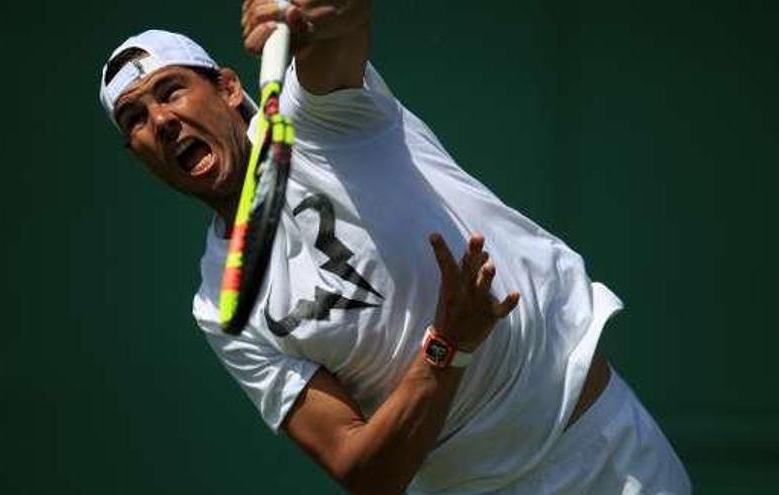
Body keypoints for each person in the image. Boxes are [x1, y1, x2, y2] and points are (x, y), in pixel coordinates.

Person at [97, 1, 691, 493]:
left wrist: (304, 17)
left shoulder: (318, 117)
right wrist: (447, 346)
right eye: (136, 120)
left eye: (171, 91)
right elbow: (365, 470)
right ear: (140, 155)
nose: (161, 122)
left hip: (609, 458)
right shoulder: (218, 306)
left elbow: (347, 20)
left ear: (228, 88)